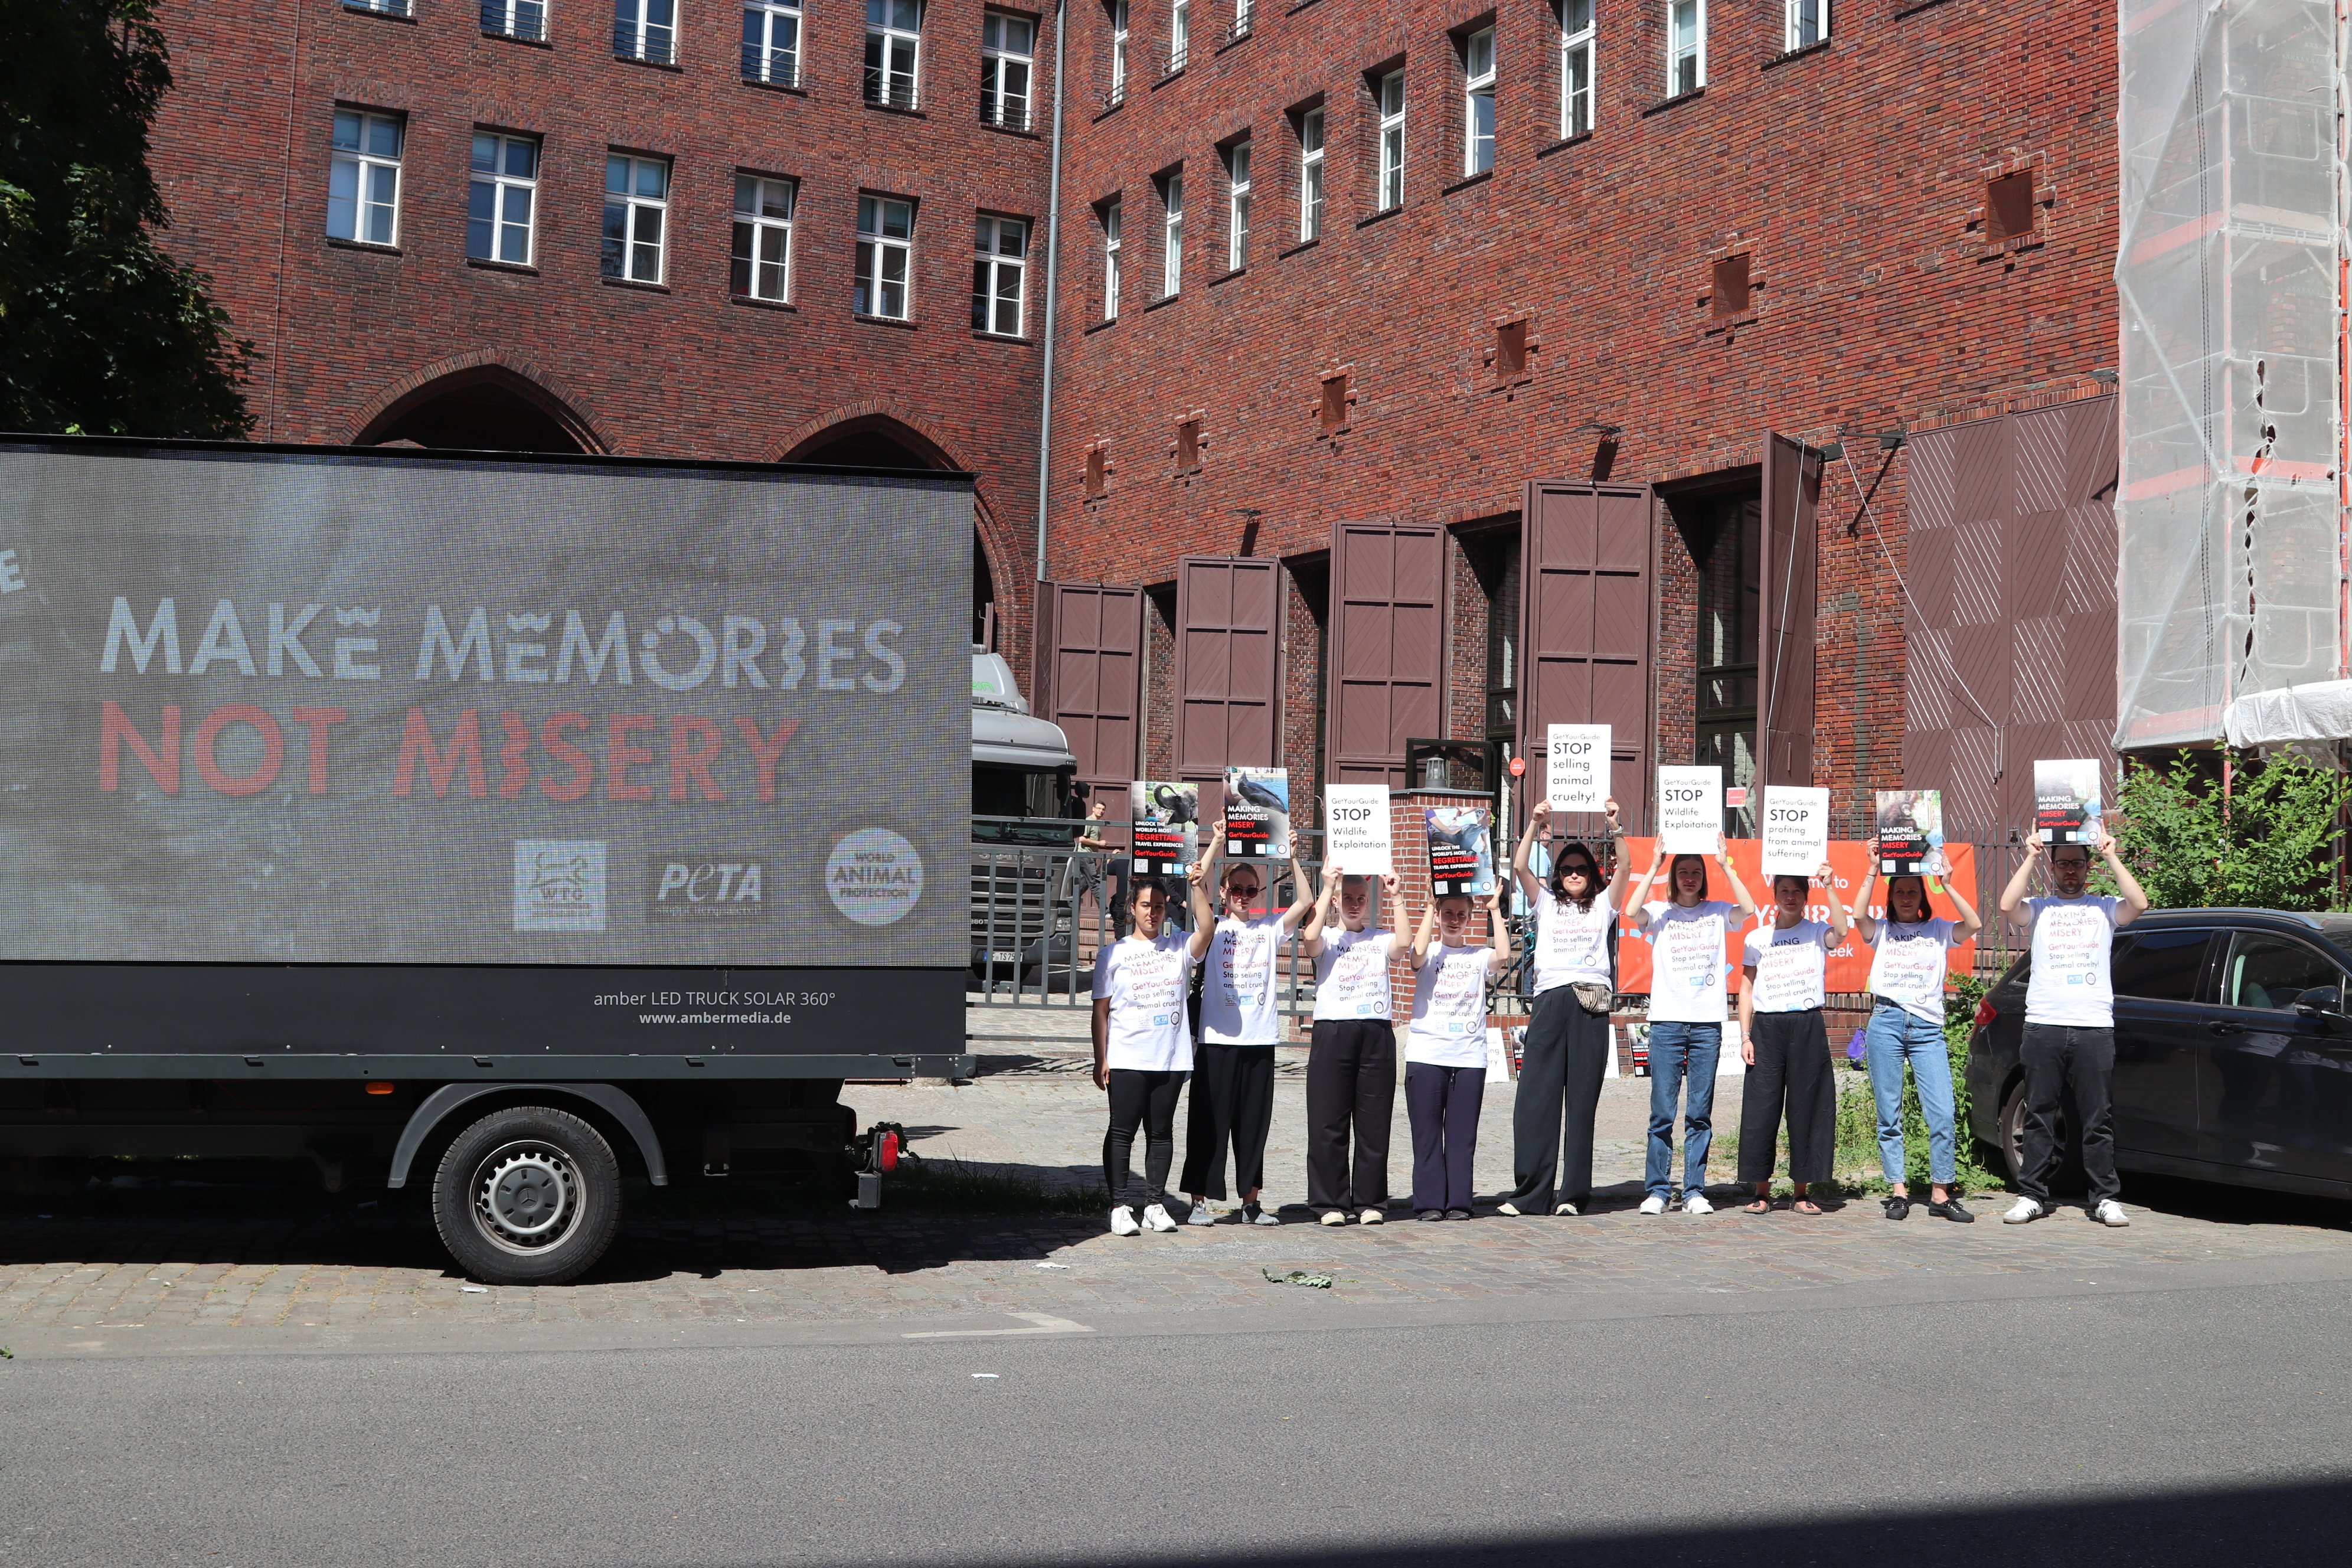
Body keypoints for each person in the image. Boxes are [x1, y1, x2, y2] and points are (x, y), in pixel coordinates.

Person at [1997, 832, 2148, 1228]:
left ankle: (2105, 1198)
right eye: (2062, 864)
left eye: (2077, 864)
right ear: (2053, 868)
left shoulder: (2104, 908)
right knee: (2039, 1113)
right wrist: (2029, 856)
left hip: (2093, 1026)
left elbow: (2140, 903)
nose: (2070, 871)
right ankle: (2031, 1195)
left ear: (2087, 868)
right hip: (2044, 1023)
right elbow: (2007, 905)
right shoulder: (2041, 908)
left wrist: (2112, 855)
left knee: (2098, 1117)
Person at [1498, 796, 1631, 1218]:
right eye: (1567, 869)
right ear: (1558, 876)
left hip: (1590, 1005)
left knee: (1581, 1101)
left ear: (1592, 875)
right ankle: (1531, 1193)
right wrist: (1535, 823)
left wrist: (1615, 827)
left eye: (1581, 869)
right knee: (1535, 1098)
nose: (1574, 874)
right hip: (1551, 1001)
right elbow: (1520, 868)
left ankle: (1572, 1195)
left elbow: (1625, 868)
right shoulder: (1547, 903)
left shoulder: (1604, 905)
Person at [1179, 822, 1314, 1226]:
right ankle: (1200, 1202)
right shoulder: (1214, 929)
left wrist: (1292, 854)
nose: (1242, 896)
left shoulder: (1268, 929)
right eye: (1235, 890)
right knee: (1209, 1123)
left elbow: (1306, 900)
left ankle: (1251, 1203)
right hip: (1218, 1039)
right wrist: (1218, 841)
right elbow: (1195, 881)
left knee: (1253, 1125)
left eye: (1250, 890)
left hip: (1259, 1040)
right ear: (1224, 893)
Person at [1627, 832, 1758, 1216]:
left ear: (1703, 877)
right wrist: (1653, 866)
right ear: (1674, 877)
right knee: (1662, 1112)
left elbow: (1748, 908)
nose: (1689, 878)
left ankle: (1695, 1190)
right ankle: (1658, 1190)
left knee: (1699, 1111)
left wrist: (1724, 863)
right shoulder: (1659, 912)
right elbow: (1630, 909)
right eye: (1682, 872)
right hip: (1667, 1023)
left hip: (1706, 1026)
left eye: (1695, 872)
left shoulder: (1718, 911)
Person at [1853, 847, 1985, 1221]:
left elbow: (1974, 925)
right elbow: (1858, 915)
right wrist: (1873, 870)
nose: (1907, 898)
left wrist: (1947, 884)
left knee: (1942, 1112)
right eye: (1900, 892)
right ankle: (1898, 1191)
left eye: (1913, 892)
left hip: (1927, 1029)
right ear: (1891, 898)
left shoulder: (1939, 929)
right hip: (1887, 1023)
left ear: (1922, 897)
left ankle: (1941, 1194)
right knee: (1889, 1113)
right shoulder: (1882, 930)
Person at [1090, 861, 1217, 1236]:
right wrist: (1102, 1057)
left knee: (1161, 1133)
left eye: (1159, 906)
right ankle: (1119, 1206)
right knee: (1122, 1131)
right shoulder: (1114, 954)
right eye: (1146, 905)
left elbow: (1207, 928)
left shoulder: (1179, 947)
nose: (1152, 912)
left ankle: (1155, 1203)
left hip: (1170, 1057)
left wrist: (1197, 886)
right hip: (1128, 1056)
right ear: (1133, 908)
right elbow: (1101, 1012)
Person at [1735, 861, 1850, 1215]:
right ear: (1775, 896)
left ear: (1805, 897)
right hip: (1766, 1030)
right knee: (1761, 1109)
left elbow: (1843, 932)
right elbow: (1746, 987)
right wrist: (1745, 1036)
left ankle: (1801, 1192)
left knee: (1808, 1108)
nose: (1790, 897)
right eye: (1783, 891)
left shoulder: (1817, 931)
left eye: (1796, 891)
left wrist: (1830, 886)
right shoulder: (1757, 938)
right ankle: (1760, 1191)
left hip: (1807, 1026)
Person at [1300, 865, 1402, 1225]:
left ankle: (1370, 1201)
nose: (1355, 904)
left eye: (1361, 899)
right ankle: (1330, 1202)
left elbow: (1404, 944)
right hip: (1333, 1031)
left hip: (1376, 1034)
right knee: (1329, 1121)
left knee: (1374, 1123)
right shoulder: (1327, 937)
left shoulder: (1379, 938)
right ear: (1338, 903)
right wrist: (1328, 887)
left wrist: (1396, 895)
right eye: (1348, 899)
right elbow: (1309, 939)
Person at [1406, 883, 1514, 1220]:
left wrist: (1494, 909)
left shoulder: (1479, 955)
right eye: (1448, 913)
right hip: (1427, 1054)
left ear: (1470, 918)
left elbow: (1504, 956)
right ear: (1439, 916)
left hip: (1468, 1057)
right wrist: (1428, 904)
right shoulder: (1430, 952)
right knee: (1427, 1136)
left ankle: (1458, 1203)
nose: (1455, 920)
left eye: (1462, 915)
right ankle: (1429, 1203)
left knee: (1461, 1136)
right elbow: (1417, 954)